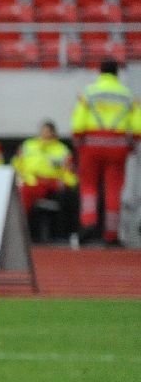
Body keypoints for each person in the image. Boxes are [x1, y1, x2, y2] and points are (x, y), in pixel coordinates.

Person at [70, 57, 141, 245]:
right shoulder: (128, 95)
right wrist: (133, 143)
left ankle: (88, 226)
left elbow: (78, 121)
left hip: (90, 145)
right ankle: (111, 234)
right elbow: (137, 125)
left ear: (100, 72)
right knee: (114, 190)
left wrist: (78, 140)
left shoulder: (89, 93)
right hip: (118, 147)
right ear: (117, 73)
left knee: (88, 186)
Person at [10, 120, 79, 241]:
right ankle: (17, 227)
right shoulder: (28, 145)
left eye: (47, 132)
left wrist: (66, 182)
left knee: (27, 191)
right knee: (22, 190)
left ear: (53, 133)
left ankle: (18, 228)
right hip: (29, 180)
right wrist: (18, 176)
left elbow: (70, 174)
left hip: (50, 182)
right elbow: (16, 164)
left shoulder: (61, 150)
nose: (44, 134)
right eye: (42, 131)